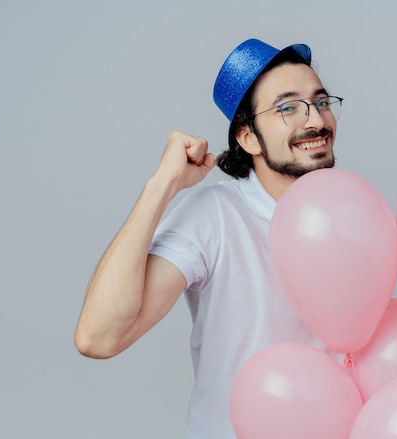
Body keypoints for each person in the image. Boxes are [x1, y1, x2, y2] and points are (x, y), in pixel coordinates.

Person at [74, 38, 345, 438]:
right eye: (288, 108)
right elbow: (98, 337)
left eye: (321, 102)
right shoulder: (216, 214)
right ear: (248, 137)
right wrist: (161, 185)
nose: (316, 121)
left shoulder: (351, 216)